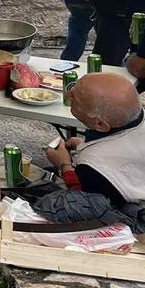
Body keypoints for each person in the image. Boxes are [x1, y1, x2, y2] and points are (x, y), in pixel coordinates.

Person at [44, 73, 144, 208]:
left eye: (75, 99)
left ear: (101, 125)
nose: (67, 95)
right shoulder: (134, 115)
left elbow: (82, 202)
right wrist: (86, 145)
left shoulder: (94, 166)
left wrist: (63, 165)